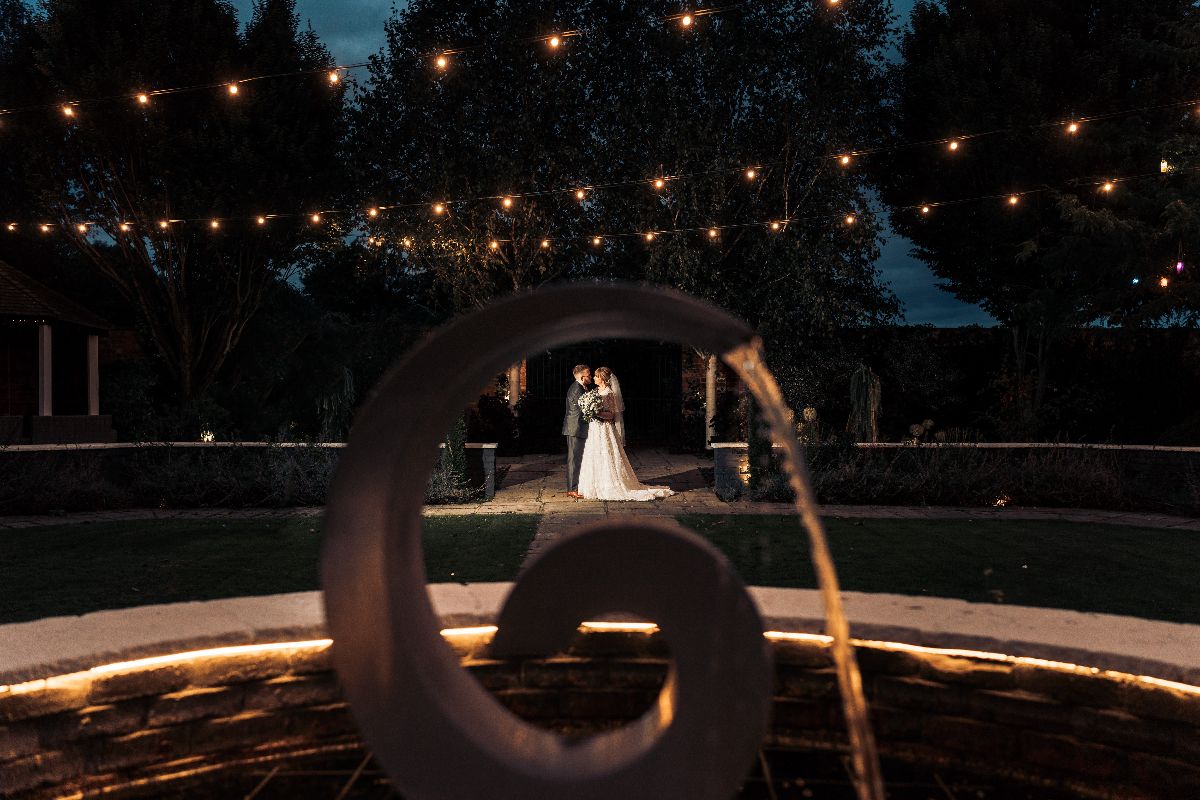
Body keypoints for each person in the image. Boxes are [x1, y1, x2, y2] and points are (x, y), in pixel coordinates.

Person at [576, 367, 674, 501]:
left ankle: (609, 485)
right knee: (594, 454)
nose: (594, 378)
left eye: (596, 376)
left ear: (603, 379)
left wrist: (595, 412)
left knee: (606, 454)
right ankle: (595, 485)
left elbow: (611, 415)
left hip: (604, 428)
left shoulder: (609, 393)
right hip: (595, 428)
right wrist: (589, 410)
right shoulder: (596, 391)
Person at [562, 364, 591, 498]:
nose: (590, 377)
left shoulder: (582, 387)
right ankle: (572, 489)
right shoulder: (576, 389)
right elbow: (584, 410)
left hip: (579, 427)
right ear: (581, 376)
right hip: (575, 428)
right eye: (588, 375)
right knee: (574, 459)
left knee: (580, 459)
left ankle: (578, 486)